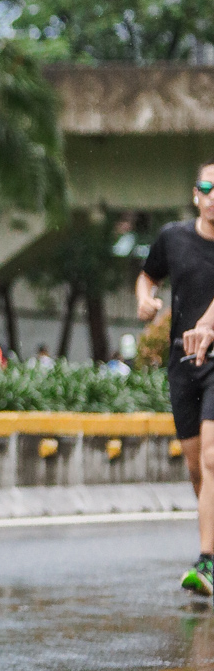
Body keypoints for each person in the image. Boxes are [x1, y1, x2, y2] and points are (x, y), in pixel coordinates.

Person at [135, 162, 214, 595]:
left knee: (212, 459)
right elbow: (148, 276)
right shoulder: (173, 237)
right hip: (183, 365)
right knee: (197, 468)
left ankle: (207, 561)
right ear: (195, 194)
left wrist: (208, 323)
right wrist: (145, 300)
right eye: (207, 186)